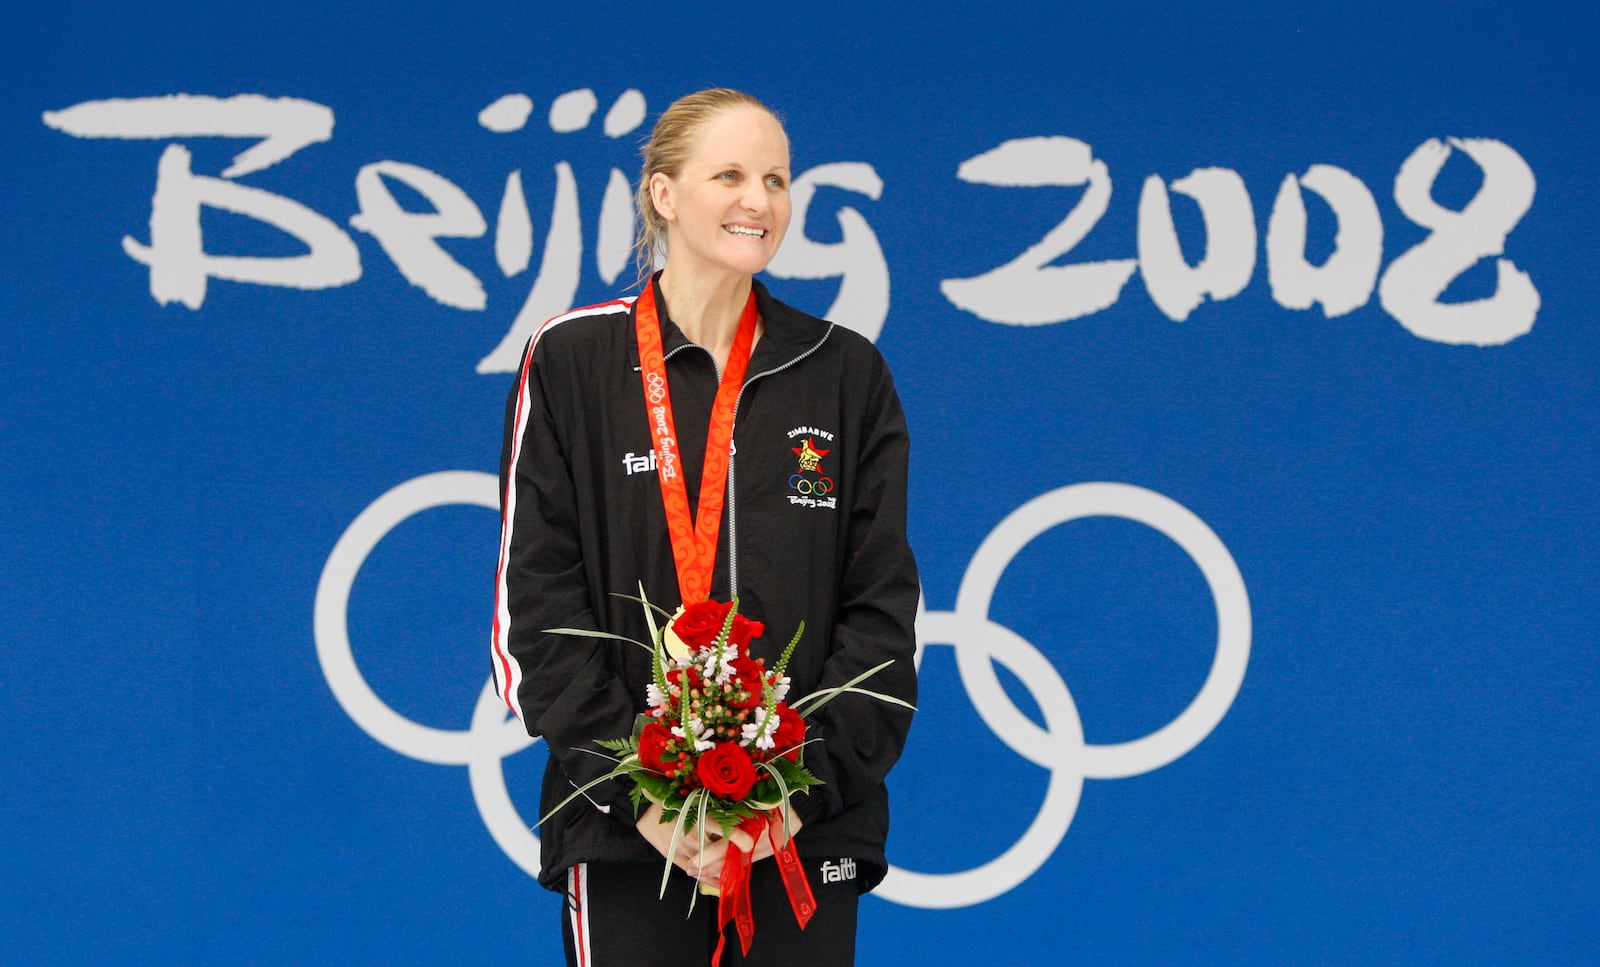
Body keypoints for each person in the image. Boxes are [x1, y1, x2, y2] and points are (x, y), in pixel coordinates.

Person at [492, 87, 918, 966]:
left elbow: (881, 613)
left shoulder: (842, 371)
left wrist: (794, 795)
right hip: (626, 835)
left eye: (776, 178)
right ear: (664, 193)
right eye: (729, 174)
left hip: (802, 830)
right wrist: (643, 795)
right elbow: (532, 607)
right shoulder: (574, 360)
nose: (759, 201)